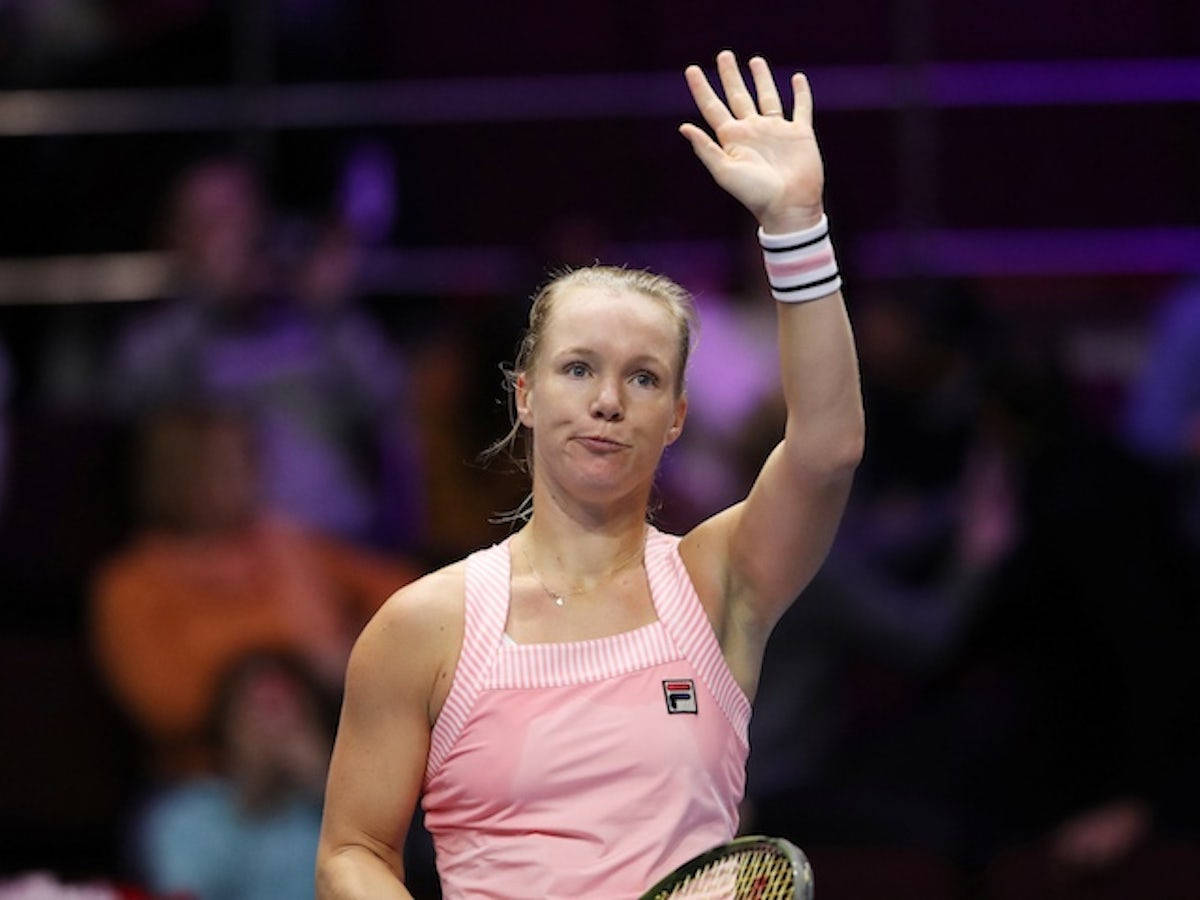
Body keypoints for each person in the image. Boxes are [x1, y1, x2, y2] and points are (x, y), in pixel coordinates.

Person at [316, 51, 864, 898]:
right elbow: (352, 852)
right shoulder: (420, 625)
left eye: (643, 377)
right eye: (578, 369)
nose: (608, 400)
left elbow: (826, 449)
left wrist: (796, 225)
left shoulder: (720, 583)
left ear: (677, 415)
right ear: (525, 394)